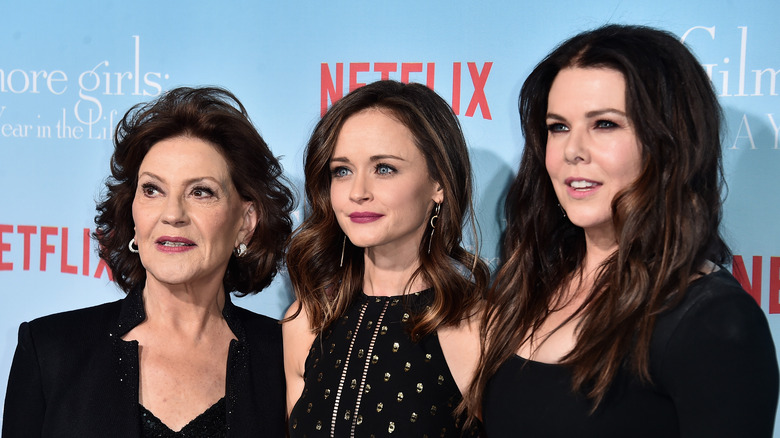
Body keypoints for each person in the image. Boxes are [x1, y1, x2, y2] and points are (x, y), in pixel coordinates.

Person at [468, 24, 779, 437]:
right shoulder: (528, 286)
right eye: (558, 126)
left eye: (605, 125)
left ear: (667, 144)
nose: (572, 150)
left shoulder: (712, 319)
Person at [2, 87, 293, 437]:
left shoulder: (283, 359)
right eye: (153, 190)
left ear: (245, 223)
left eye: (201, 192)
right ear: (133, 215)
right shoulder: (51, 348)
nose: (172, 214)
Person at [284, 80, 489, 437]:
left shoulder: (478, 328)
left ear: (438, 183)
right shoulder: (307, 320)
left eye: (384, 168)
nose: (358, 192)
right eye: (342, 171)